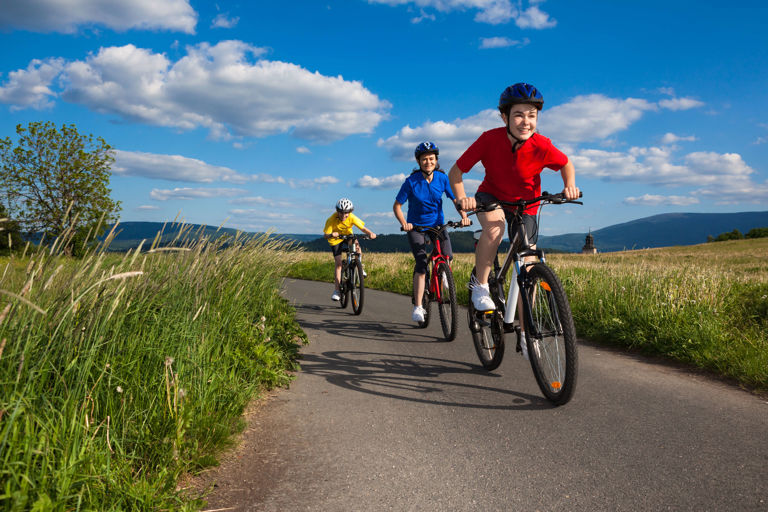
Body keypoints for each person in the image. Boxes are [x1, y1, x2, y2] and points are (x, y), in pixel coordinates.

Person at [448, 82, 580, 357]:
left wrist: (570, 185)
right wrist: (463, 199)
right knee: (495, 230)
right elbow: (456, 172)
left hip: (526, 204)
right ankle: (481, 286)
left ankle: (525, 331)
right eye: (519, 114)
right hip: (491, 197)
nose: (526, 121)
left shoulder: (541, 144)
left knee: (529, 265)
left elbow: (566, 164)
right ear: (505, 117)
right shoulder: (489, 139)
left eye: (532, 115)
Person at [394, 141, 470, 323]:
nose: (428, 162)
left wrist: (464, 216)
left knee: (448, 255)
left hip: (437, 225)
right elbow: (397, 206)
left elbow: (455, 200)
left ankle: (443, 274)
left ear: (436, 160)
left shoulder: (442, 179)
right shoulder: (411, 182)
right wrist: (405, 223)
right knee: (421, 264)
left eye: (431, 159)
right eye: (424, 159)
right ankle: (418, 307)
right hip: (416, 227)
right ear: (418, 162)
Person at [323, 198, 377, 301]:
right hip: (335, 240)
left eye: (346, 213)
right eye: (341, 213)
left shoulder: (352, 217)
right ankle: (337, 291)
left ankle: (359, 267)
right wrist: (331, 234)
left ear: (350, 212)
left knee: (357, 245)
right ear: (337, 211)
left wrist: (370, 233)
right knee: (338, 264)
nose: (344, 216)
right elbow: (325, 235)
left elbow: (362, 228)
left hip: (347, 236)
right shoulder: (331, 219)